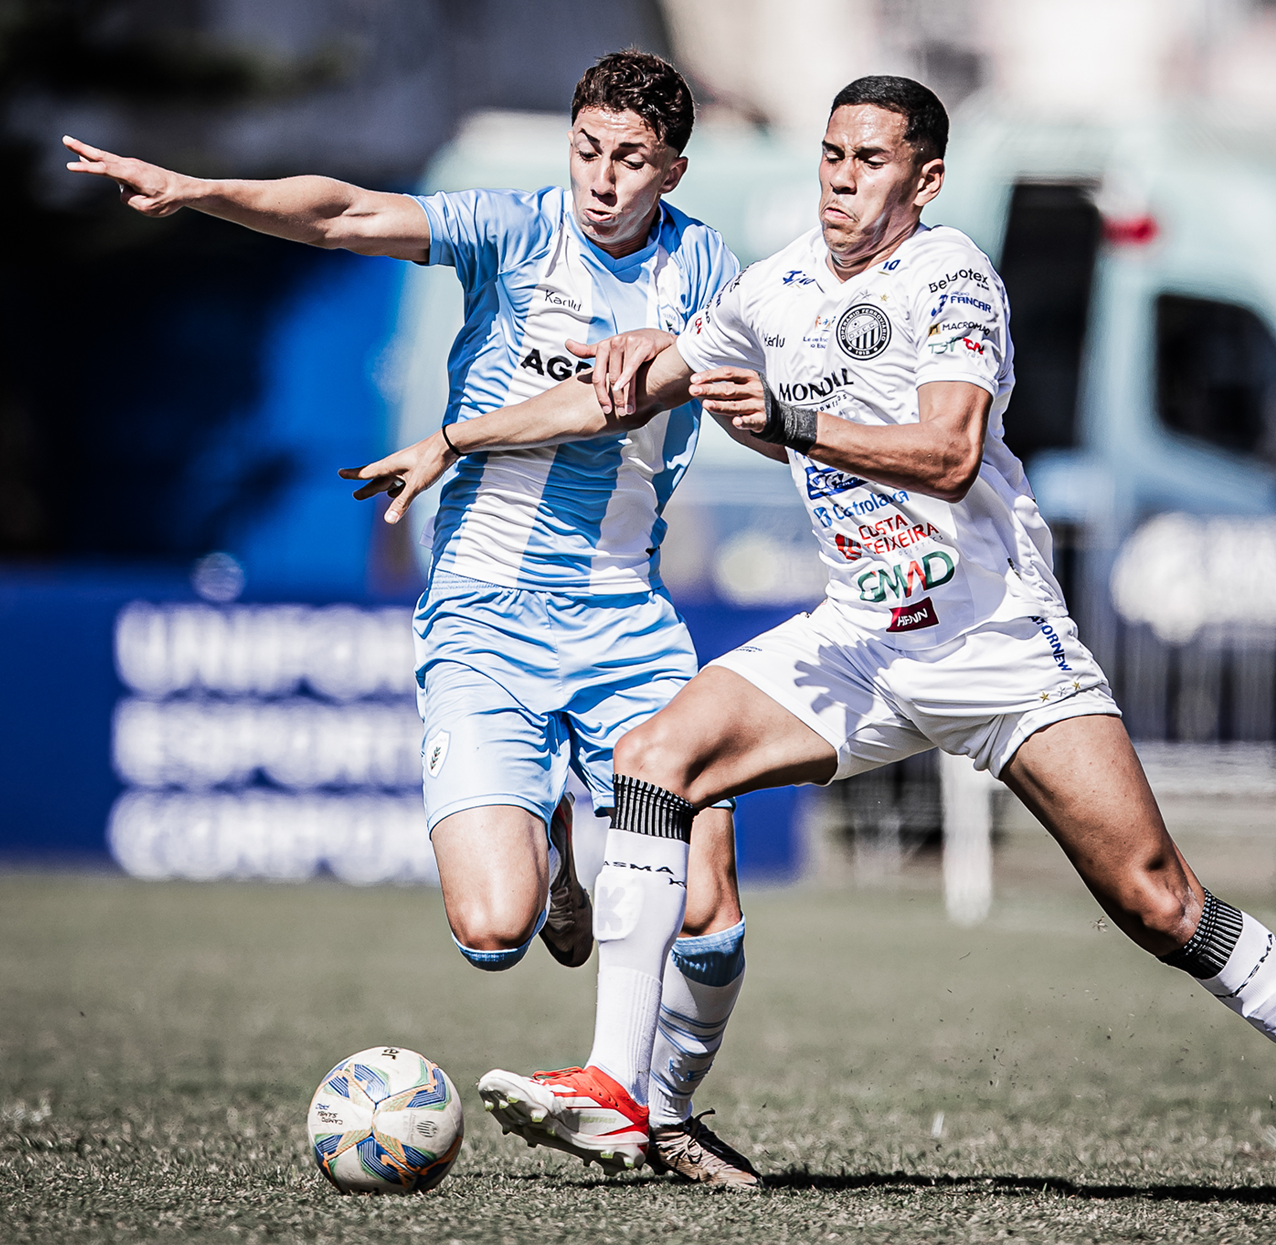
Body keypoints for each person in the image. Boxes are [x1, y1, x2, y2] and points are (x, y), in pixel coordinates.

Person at [350, 75, 1276, 1215]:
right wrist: (463, 436)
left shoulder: (951, 274)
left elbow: (949, 452)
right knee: (654, 757)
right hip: (860, 645)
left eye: (869, 163)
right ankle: (618, 1089)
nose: (839, 182)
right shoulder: (772, 288)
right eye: (828, 156)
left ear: (922, 183)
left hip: (997, 646)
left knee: (1161, 903)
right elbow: (627, 391)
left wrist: (795, 421)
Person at [65, 50, 765, 1189]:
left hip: (623, 616)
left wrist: (451, 438)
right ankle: (557, 855)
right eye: (586, 149)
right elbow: (343, 212)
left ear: (671, 168)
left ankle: (658, 1108)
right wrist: (200, 192)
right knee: (494, 929)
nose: (600, 178)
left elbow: (615, 398)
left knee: (709, 906)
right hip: (484, 615)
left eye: (629, 159)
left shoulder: (704, 270)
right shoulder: (511, 228)